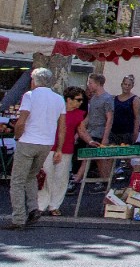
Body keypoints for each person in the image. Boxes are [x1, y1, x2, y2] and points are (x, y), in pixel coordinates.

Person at [6, 68, 64, 230]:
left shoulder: (29, 96)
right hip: (46, 143)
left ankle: (18, 218)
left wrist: (17, 136)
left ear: (34, 81)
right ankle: (33, 208)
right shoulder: (59, 99)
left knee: (17, 180)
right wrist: (59, 147)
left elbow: (21, 121)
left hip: (28, 140)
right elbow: (62, 126)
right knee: (31, 176)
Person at [37, 86, 88, 216]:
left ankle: (54, 205)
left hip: (66, 148)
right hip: (49, 146)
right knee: (46, 176)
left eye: (81, 100)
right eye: (78, 99)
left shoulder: (79, 114)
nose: (81, 102)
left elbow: (81, 131)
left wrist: (91, 141)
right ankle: (41, 205)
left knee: (61, 178)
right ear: (68, 99)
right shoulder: (55, 110)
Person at [109, 75, 140, 145]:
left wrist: (135, 133)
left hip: (127, 133)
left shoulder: (135, 99)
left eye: (129, 85)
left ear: (132, 86)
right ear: (122, 85)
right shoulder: (116, 98)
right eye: (125, 84)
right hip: (114, 132)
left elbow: (137, 118)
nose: (127, 86)